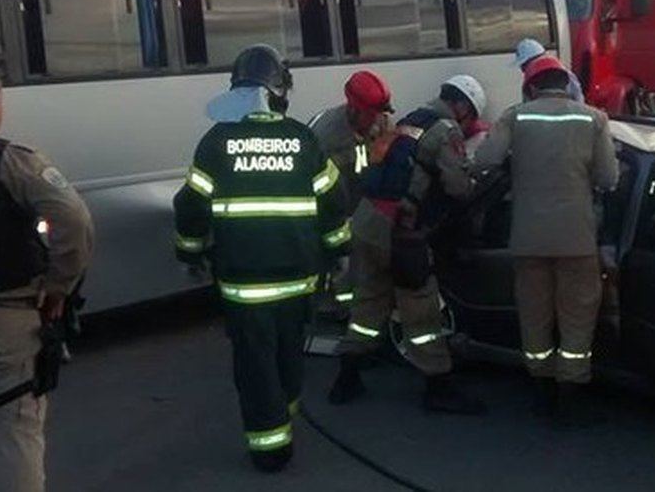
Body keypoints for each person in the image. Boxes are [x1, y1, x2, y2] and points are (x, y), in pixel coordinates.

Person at [174, 45, 352, 473]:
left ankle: (269, 447)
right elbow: (334, 201)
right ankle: (283, 420)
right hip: (298, 279)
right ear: (278, 91)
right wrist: (339, 252)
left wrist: (190, 253)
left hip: (244, 284)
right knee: (289, 353)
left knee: (255, 363)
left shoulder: (216, 141)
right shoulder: (302, 138)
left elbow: (191, 207)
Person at [0, 53, 94, 492]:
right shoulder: (12, 160)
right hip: (5, 322)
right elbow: (74, 221)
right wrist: (59, 286)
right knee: (12, 436)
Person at [327, 78, 487, 415]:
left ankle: (347, 376)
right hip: (399, 232)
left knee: (367, 305)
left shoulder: (411, 119)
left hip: (367, 220)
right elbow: (459, 188)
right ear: (461, 107)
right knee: (421, 309)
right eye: (469, 115)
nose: (467, 122)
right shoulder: (446, 131)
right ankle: (438, 387)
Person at [475, 56, 619, 424]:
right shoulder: (594, 118)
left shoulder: (515, 117)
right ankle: (570, 395)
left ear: (531, 87)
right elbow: (607, 178)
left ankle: (540, 391)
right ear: (566, 85)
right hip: (577, 239)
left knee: (535, 316)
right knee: (576, 318)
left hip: (528, 239)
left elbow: (485, 159)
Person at [309, 71, 395, 312]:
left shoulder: (382, 124)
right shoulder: (325, 137)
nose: (379, 119)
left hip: (362, 207)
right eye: (372, 114)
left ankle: (356, 306)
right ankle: (339, 308)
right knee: (343, 265)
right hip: (331, 211)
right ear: (354, 109)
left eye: (382, 113)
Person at [514, 38, 584, 103]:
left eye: (524, 66)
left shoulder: (564, 76)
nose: (522, 70)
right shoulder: (563, 74)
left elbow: (578, 102)